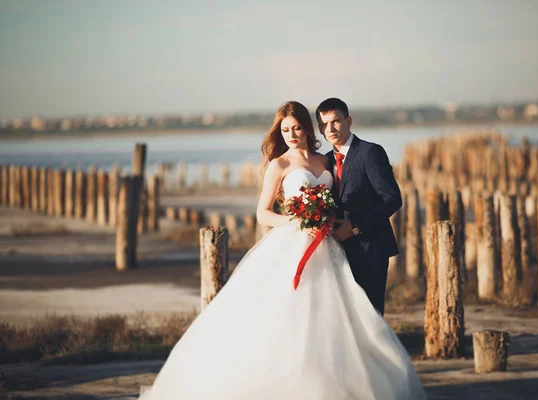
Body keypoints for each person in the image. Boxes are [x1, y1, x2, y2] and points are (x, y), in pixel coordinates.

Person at [138, 101, 426, 400]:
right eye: (285, 130)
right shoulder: (280, 165)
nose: (291, 134)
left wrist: (342, 224)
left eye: (297, 128)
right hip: (294, 243)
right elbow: (263, 213)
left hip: (333, 248)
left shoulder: (325, 161)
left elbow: (374, 199)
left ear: (309, 128)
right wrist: (299, 220)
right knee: (290, 315)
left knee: (343, 317)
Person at [317, 97, 402, 316]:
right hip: (337, 252)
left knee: (371, 316)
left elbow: (392, 198)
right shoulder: (325, 160)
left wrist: (355, 227)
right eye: (324, 124)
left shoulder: (370, 152)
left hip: (370, 249)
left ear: (349, 121)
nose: (331, 128)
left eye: (336, 121)